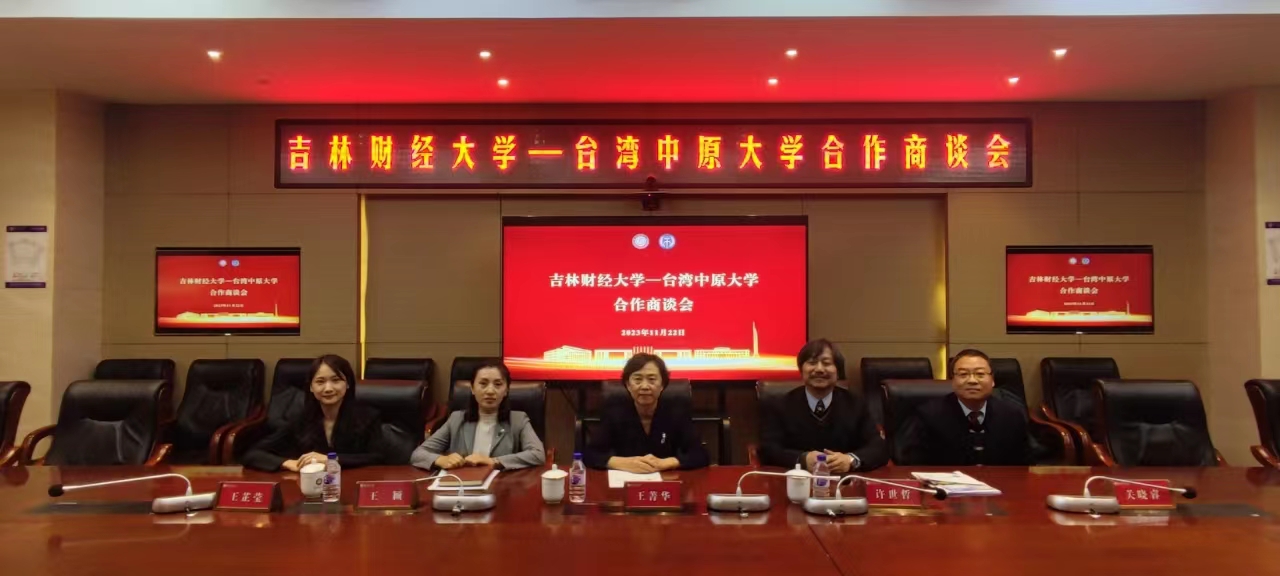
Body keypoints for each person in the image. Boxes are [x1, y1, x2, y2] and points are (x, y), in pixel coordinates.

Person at [759, 339, 887, 473]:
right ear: (801, 369)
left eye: (826, 363)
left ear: (838, 371)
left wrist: (850, 460)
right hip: (797, 480)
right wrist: (802, 459)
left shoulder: (856, 404)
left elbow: (878, 447)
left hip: (845, 480)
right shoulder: (780, 405)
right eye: (812, 363)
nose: (819, 369)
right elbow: (768, 449)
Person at [243, 354, 386, 472]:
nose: (328, 388)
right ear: (311, 387)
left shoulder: (368, 417)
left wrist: (331, 459)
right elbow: (252, 454)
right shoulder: (301, 419)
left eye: (336, 380)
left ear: (348, 384)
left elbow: (378, 458)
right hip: (312, 488)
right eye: (320, 382)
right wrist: (287, 463)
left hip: (353, 485)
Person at [900, 349, 1034, 465]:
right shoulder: (928, 416)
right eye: (963, 374)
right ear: (952, 381)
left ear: (992, 380)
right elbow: (911, 463)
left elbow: (1027, 462)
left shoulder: (1011, 415)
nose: (972, 381)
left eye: (980, 374)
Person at [410, 359, 545, 471]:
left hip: (502, 486)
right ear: (472, 388)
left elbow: (538, 454)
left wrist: (494, 461)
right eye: (483, 384)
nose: (490, 391)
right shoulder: (457, 419)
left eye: (498, 384)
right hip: (461, 485)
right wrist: (441, 459)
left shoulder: (518, 420)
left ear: (506, 390)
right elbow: (418, 454)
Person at [584, 353, 709, 471]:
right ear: (628, 385)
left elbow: (700, 455)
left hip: (666, 479)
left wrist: (666, 463)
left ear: (662, 385)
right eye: (638, 380)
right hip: (625, 479)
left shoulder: (676, 410)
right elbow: (590, 454)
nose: (644, 386)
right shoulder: (614, 411)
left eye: (652, 379)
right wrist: (621, 463)